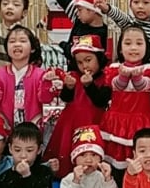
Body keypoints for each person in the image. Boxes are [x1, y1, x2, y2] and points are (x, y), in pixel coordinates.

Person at [45, 34, 111, 177]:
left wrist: (89, 86)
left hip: (94, 123)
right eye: (80, 62)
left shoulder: (106, 78)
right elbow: (65, 98)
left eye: (88, 60)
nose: (84, 66)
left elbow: (101, 101)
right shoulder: (74, 76)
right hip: (71, 123)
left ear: (99, 58)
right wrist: (68, 87)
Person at [99, 25, 150, 172]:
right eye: (128, 43)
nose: (133, 47)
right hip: (118, 121)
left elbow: (144, 86)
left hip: (142, 120)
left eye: (139, 43)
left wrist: (137, 77)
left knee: (143, 162)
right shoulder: (114, 68)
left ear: (146, 47)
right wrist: (123, 75)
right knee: (117, 164)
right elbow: (116, 86)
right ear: (120, 48)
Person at [95, 0, 150, 84]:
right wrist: (107, 8)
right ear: (130, 5)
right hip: (125, 79)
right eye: (136, 2)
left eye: (146, 2)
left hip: (148, 81)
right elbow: (119, 15)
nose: (140, 6)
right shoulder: (129, 23)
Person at [0, 26, 58, 125]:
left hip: (32, 128)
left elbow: (46, 99)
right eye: (12, 41)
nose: (17, 44)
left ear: (32, 48)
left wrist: (46, 82)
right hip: (5, 127)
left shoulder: (40, 74)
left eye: (22, 41)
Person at [31, 0, 111, 69]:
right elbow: (64, 0)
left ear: (92, 10)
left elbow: (74, 52)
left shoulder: (103, 33)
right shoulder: (80, 21)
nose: (77, 13)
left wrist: (62, 45)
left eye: (79, 10)